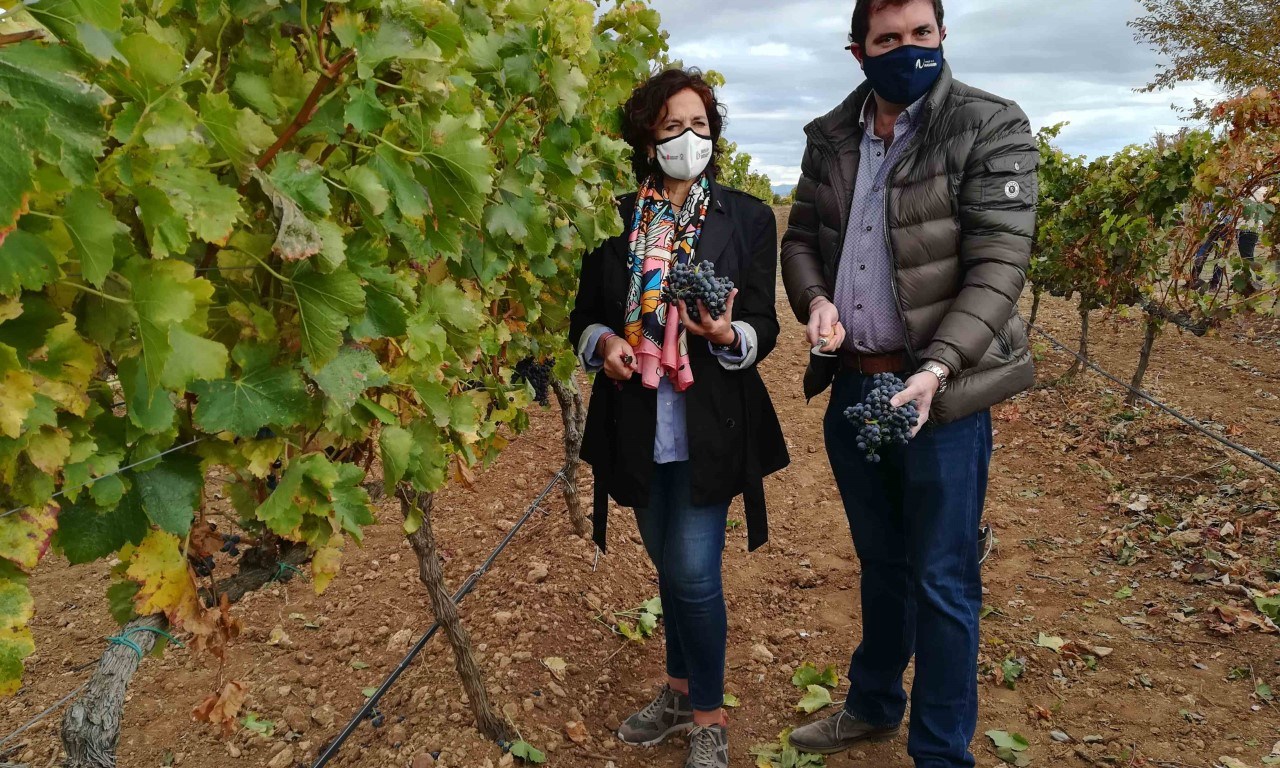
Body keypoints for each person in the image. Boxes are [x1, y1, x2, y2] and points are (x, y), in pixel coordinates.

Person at [780, 0, 1037, 766]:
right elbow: (801, 238)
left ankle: (940, 753)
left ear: (943, 36)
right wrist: (816, 301)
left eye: (921, 34)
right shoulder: (831, 136)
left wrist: (938, 367)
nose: (908, 49)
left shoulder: (988, 125)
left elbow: (998, 267)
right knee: (882, 563)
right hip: (855, 388)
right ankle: (873, 705)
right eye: (889, 38)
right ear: (859, 51)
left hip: (939, 398)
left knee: (944, 579)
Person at [568, 68, 789, 768]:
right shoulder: (611, 218)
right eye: (672, 126)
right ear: (647, 140)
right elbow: (584, 316)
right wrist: (604, 344)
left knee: (693, 575)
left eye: (699, 124)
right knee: (668, 568)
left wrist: (726, 336)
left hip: (710, 421)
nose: (689, 137)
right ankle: (676, 691)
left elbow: (763, 323)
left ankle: (708, 719)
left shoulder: (747, 218)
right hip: (637, 423)